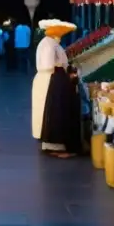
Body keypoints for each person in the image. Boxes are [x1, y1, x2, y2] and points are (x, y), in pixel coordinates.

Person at [35, 19, 81, 157]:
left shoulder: (50, 43)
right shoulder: (50, 45)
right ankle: (56, 147)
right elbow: (50, 64)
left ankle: (56, 145)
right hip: (55, 78)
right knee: (56, 112)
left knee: (54, 111)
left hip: (56, 78)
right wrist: (64, 69)